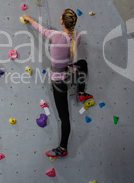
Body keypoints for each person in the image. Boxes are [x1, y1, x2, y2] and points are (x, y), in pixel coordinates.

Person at [22, 9, 93, 158]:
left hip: (58, 81)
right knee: (83, 64)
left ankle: (63, 148)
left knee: (64, 117)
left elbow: (39, 29)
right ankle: (81, 92)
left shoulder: (55, 36)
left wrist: (28, 17)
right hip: (70, 71)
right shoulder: (77, 37)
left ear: (61, 21)